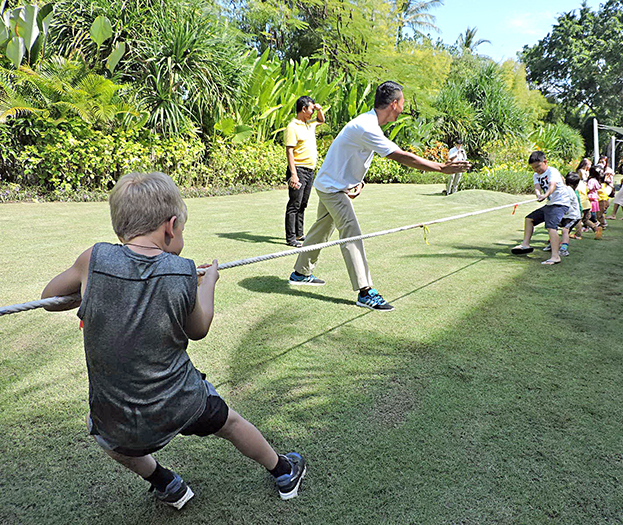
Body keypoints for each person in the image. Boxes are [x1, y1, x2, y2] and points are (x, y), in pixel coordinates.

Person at [41, 172, 306, 510]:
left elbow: (49, 298)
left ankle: (166, 483)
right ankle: (283, 470)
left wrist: (93, 288)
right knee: (230, 422)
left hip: (116, 416)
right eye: (181, 228)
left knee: (103, 433)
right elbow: (199, 328)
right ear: (169, 227)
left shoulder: (94, 259)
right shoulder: (181, 271)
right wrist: (206, 282)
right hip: (181, 402)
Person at [288, 81, 471, 311]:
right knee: (351, 232)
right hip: (332, 188)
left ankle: (300, 272)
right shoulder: (367, 126)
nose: (403, 108)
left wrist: (359, 182)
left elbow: (355, 155)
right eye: (402, 103)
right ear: (394, 103)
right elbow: (402, 156)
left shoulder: (369, 124)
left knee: (322, 229)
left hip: (329, 184)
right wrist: (442, 168)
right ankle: (365, 292)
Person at [510, 151, 571, 265]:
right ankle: (525, 244)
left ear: (545, 162)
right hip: (550, 204)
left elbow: (552, 185)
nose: (536, 170)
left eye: (538, 166)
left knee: (551, 227)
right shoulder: (536, 175)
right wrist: (538, 194)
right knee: (529, 219)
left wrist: (545, 195)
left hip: (560, 203)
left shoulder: (552, 171)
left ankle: (555, 256)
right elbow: (537, 186)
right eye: (533, 168)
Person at [284, 96, 325, 247]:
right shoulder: (292, 126)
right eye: (311, 109)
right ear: (303, 109)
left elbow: (321, 120)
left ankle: (300, 234)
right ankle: (291, 238)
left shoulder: (309, 124)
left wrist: (319, 109)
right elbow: (289, 152)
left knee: (303, 204)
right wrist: (293, 174)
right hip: (298, 170)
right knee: (294, 204)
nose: (313, 112)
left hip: (309, 170)